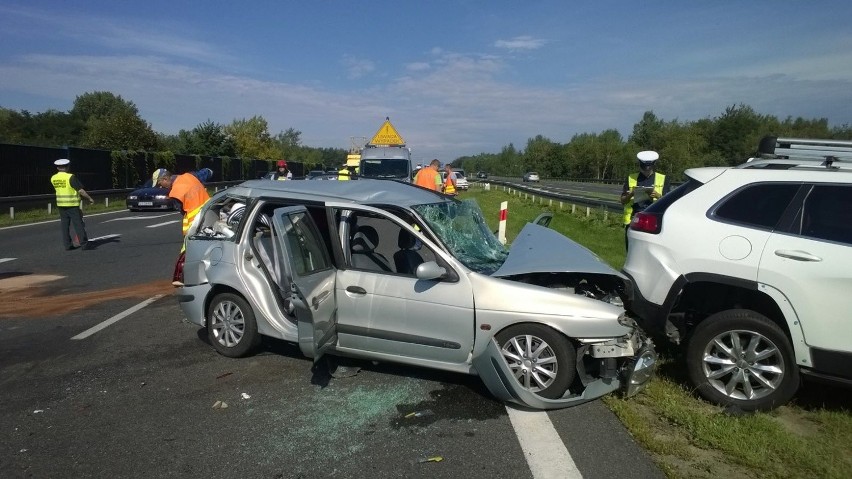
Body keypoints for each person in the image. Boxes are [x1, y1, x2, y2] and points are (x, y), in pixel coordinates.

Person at [621, 150, 668, 249]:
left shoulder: (663, 178)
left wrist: (658, 195)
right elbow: (623, 201)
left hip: (654, 220)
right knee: (632, 251)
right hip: (634, 219)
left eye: (648, 168)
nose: (646, 171)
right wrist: (632, 194)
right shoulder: (631, 178)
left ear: (653, 165)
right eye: (644, 168)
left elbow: (668, 201)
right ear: (639, 165)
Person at [152, 168, 210, 238]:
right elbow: (205, 173)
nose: (160, 187)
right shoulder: (189, 176)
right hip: (210, 212)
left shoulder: (175, 193)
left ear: (165, 179)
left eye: (159, 184)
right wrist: (209, 171)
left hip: (196, 224)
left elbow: (183, 212)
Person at [51, 158, 95, 250]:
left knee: (64, 225)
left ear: (58, 168)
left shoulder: (53, 178)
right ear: (67, 167)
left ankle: (67, 245)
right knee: (78, 224)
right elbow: (80, 191)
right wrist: (89, 198)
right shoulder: (70, 177)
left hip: (61, 205)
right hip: (72, 204)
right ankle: (84, 244)